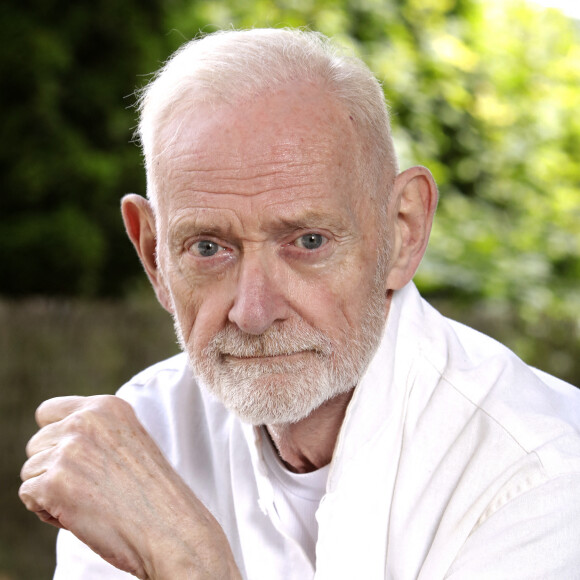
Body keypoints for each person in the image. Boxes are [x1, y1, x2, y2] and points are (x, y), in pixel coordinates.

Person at [19, 28, 580, 579]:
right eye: (209, 248)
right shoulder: (144, 434)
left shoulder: (543, 471)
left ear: (402, 231)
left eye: (308, 241)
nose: (254, 312)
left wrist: (188, 560)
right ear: (153, 254)